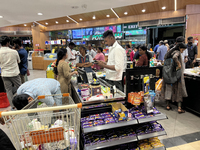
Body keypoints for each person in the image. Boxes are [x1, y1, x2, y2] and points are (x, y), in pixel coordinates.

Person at [161, 43, 188, 113]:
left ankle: (168, 105)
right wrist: (179, 63)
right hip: (176, 75)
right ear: (179, 47)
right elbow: (175, 57)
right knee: (179, 90)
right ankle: (179, 108)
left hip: (168, 74)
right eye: (183, 49)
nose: (182, 51)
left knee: (168, 89)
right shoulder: (177, 52)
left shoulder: (169, 52)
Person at [0, 36, 21, 108]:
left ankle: (13, 106)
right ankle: (21, 103)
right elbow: (18, 61)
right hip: (14, 73)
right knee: (20, 88)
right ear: (8, 43)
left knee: (8, 90)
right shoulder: (14, 52)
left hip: (4, 74)